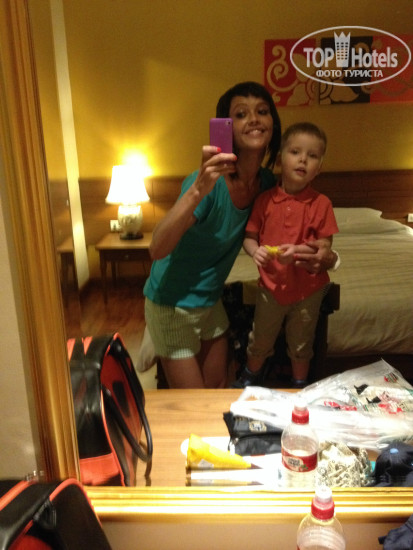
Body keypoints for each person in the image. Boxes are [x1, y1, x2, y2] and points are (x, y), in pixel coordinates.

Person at [143, 83, 336, 389]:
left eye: (262, 111)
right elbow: (157, 249)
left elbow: (304, 226)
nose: (254, 119)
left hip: (211, 300)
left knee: (221, 389)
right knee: (196, 404)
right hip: (172, 301)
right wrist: (197, 190)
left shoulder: (267, 184)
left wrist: (329, 257)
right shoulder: (207, 183)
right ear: (227, 127)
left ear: (273, 126)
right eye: (241, 114)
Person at [231, 122, 339, 389]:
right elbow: (249, 237)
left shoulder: (322, 204)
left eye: (312, 156)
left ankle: (299, 383)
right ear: (280, 160)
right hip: (271, 286)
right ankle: (251, 376)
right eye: (295, 152)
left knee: (301, 342)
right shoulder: (264, 200)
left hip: (308, 290)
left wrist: (300, 252)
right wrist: (255, 252)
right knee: (260, 338)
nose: (303, 160)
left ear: (319, 168)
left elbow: (325, 247)